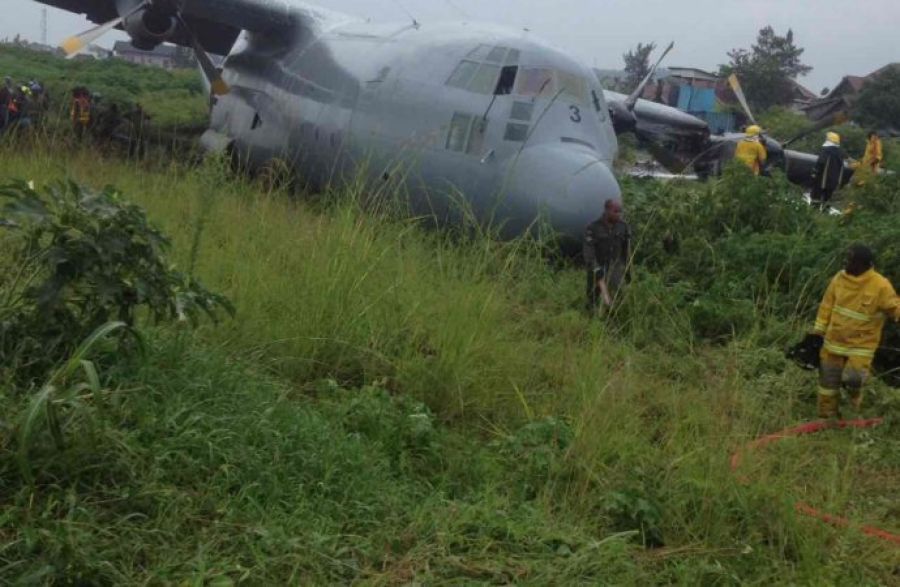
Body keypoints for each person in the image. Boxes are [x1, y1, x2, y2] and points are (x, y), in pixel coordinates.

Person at [811, 244, 900, 418]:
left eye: (850, 260)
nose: (846, 263)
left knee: (854, 379)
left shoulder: (880, 286)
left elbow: (893, 307)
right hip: (833, 343)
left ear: (862, 264)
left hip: (861, 345)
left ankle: (851, 412)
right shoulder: (839, 279)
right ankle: (827, 419)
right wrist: (817, 332)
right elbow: (826, 305)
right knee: (827, 385)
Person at [583, 198, 631, 312]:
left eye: (620, 211)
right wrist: (595, 267)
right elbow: (588, 250)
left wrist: (628, 270)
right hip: (597, 265)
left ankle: (614, 315)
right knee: (592, 296)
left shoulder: (623, 227)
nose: (619, 214)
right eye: (615, 211)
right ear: (607, 211)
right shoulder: (593, 228)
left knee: (619, 292)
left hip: (615, 265)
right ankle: (591, 317)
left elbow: (627, 250)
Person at [810, 132, 847, 209]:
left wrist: (814, 172)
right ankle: (825, 214)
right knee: (827, 198)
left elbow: (821, 162)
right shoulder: (840, 153)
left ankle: (813, 212)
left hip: (822, 179)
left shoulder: (826, 151)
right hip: (833, 181)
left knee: (816, 197)